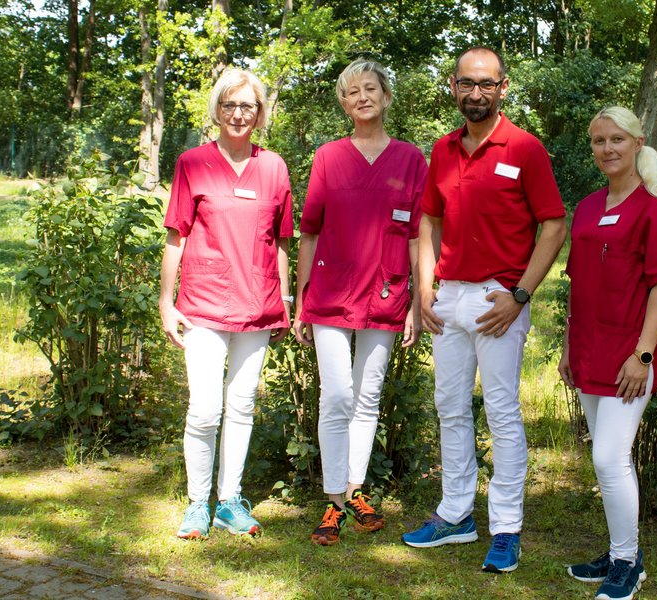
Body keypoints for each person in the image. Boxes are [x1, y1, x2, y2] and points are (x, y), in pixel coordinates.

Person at [401, 46, 567, 574]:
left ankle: (507, 527)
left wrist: (520, 294)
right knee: (449, 406)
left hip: (499, 297)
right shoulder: (443, 149)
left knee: (501, 412)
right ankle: (455, 515)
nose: (476, 93)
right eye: (467, 83)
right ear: (453, 86)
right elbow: (428, 221)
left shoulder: (525, 148)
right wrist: (424, 289)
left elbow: (554, 224)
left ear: (503, 86)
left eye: (486, 84)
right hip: (448, 296)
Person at [293, 58, 428, 546]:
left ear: (386, 97)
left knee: (367, 396)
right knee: (339, 395)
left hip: (388, 292)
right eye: (352, 92)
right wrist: (302, 296)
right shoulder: (328, 156)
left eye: (370, 89)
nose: (362, 98)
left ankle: (354, 490)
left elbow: (418, 236)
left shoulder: (412, 160)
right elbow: (309, 232)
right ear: (343, 103)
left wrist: (417, 301)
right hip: (330, 293)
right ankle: (332, 500)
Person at [159, 68, 294, 540]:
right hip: (202, 304)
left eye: (248, 106)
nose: (239, 114)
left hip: (257, 306)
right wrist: (165, 301)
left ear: (260, 114)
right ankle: (198, 502)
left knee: (241, 406)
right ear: (217, 111)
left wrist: (285, 302)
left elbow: (280, 242)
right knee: (204, 409)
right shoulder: (192, 162)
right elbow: (176, 234)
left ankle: (229, 501)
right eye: (230, 105)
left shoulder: (274, 167)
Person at [558, 106, 657, 600]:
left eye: (616, 140)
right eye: (598, 141)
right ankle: (618, 549)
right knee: (608, 458)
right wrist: (569, 347)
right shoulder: (588, 207)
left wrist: (645, 355)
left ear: (638, 142)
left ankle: (628, 562)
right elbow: (575, 283)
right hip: (588, 349)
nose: (607, 149)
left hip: (631, 355)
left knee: (610, 457)